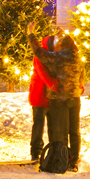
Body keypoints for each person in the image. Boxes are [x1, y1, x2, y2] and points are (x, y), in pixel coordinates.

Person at [37, 30, 85, 172]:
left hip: (62, 99)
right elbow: (82, 76)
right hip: (75, 98)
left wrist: (31, 35)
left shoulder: (60, 56)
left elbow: (40, 54)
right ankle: (74, 160)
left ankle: (63, 160)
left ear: (63, 45)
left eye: (58, 43)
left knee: (62, 132)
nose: (56, 45)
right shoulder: (77, 56)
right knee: (74, 131)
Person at [26, 20, 58, 164]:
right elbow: (43, 74)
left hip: (50, 96)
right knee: (38, 124)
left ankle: (51, 150)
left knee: (52, 124)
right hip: (40, 96)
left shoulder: (52, 56)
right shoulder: (41, 57)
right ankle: (36, 152)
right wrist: (54, 85)